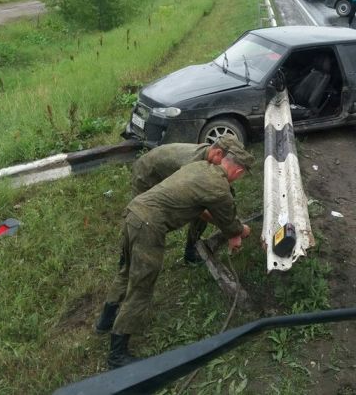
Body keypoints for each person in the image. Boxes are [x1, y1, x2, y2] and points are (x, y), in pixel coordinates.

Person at [95, 147, 255, 369]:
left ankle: (105, 321)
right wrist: (239, 232)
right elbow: (229, 221)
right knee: (142, 285)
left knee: (127, 270)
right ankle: (117, 354)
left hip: (135, 213)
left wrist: (232, 229)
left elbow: (203, 211)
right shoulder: (218, 187)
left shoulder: (200, 167)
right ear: (238, 171)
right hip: (149, 225)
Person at [130, 135, 247, 264]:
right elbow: (201, 210)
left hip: (163, 169)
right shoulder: (192, 164)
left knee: (204, 203)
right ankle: (130, 260)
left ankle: (191, 251)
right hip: (147, 175)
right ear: (218, 153)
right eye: (227, 160)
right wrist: (232, 229)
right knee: (143, 222)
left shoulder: (210, 158)